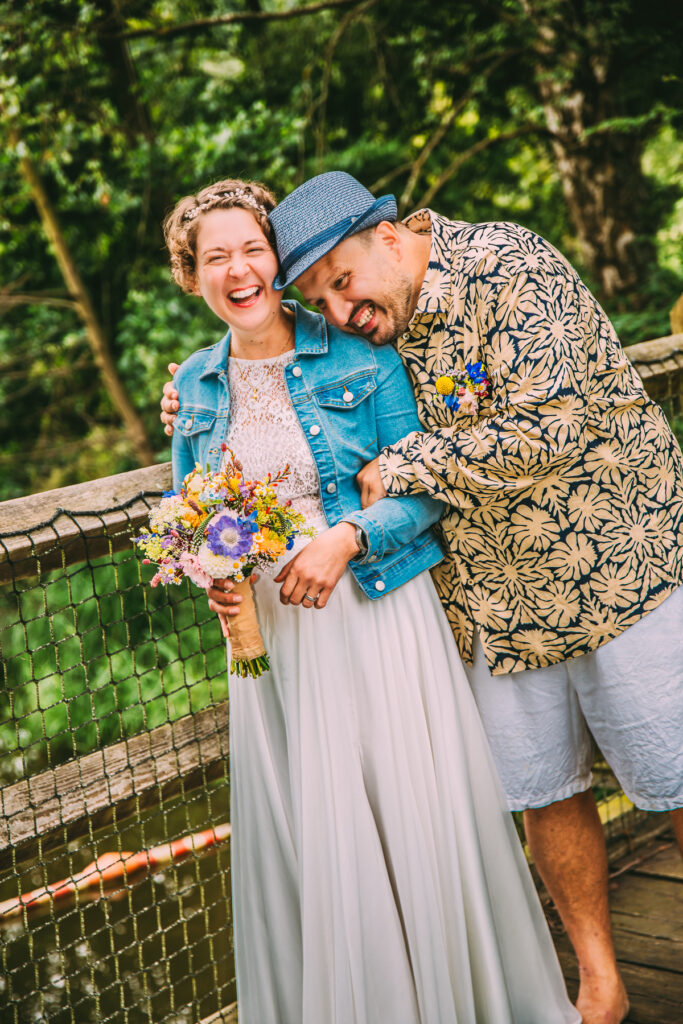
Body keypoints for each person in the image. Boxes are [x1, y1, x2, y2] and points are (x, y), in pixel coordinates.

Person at [161, 171, 683, 1024]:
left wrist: (388, 488)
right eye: (319, 295)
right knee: (544, 789)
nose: (337, 308)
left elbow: (546, 428)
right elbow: (239, 438)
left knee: (672, 773)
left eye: (340, 281)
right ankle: (599, 985)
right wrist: (189, 403)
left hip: (613, 567)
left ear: (390, 236)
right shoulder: (361, 327)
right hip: (491, 602)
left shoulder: (506, 263)